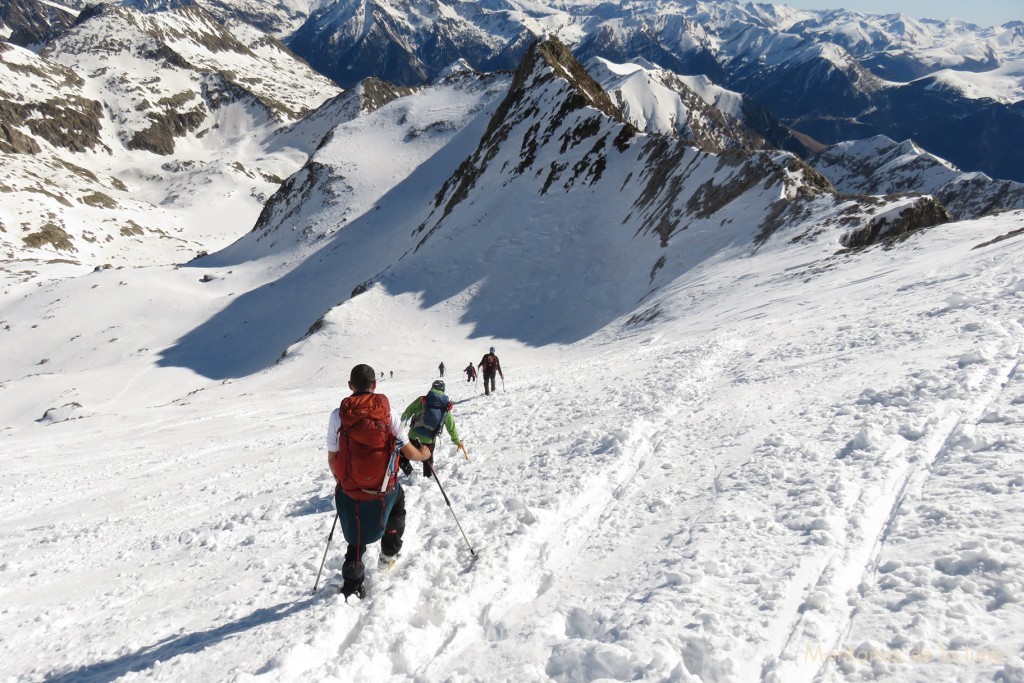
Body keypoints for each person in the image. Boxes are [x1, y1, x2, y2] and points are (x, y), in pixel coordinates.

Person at [326, 364, 431, 598]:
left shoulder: (338, 416)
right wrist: (425, 455)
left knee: (356, 527)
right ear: (374, 385)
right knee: (397, 504)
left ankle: (353, 584)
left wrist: (342, 481)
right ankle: (388, 554)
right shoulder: (388, 413)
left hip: (351, 490)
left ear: (350, 386)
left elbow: (333, 456)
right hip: (384, 490)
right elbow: (410, 452)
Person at [400, 379, 462, 478]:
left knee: (402, 456)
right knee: (427, 460)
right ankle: (427, 478)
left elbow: (408, 412)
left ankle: (411, 474)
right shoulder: (445, 407)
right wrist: (457, 441)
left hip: (413, 436)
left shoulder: (422, 400)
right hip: (429, 440)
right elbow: (451, 426)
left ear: (432, 388)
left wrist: (400, 428)